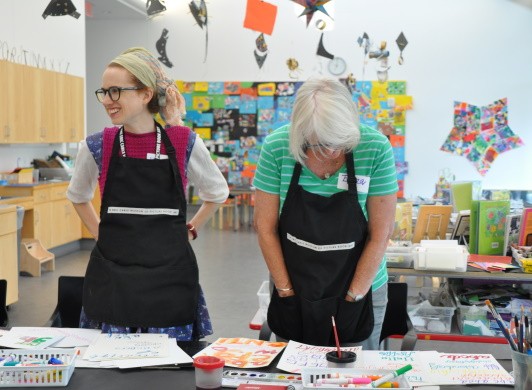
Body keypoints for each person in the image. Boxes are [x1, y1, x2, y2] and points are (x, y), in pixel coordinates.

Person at [67, 47, 229, 339]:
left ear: (145, 94)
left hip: (169, 275)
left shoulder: (181, 141)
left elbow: (217, 192)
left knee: (167, 372)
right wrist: (99, 232)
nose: (107, 100)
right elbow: (77, 195)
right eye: (103, 92)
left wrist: (192, 229)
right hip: (114, 275)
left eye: (115, 91)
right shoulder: (96, 145)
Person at [253, 78, 397, 349]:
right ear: (301, 132)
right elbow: (265, 228)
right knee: (294, 372)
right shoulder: (277, 148)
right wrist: (285, 292)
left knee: (356, 375)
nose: (332, 152)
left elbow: (381, 234)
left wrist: (354, 297)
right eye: (321, 144)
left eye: (340, 142)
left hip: (360, 287)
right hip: (293, 284)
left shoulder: (375, 148)